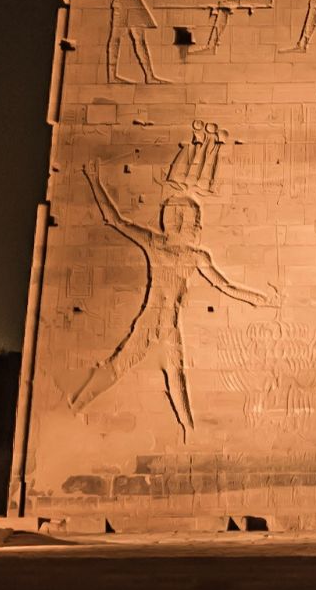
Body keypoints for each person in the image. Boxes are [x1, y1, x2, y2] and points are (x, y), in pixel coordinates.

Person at [73, 160, 278, 437]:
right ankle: (79, 403)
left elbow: (225, 285)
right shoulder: (169, 248)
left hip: (166, 325)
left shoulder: (185, 252)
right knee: (130, 368)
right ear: (185, 222)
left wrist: (256, 298)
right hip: (155, 323)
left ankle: (188, 431)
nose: (194, 224)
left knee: (173, 374)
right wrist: (94, 181)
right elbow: (117, 221)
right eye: (192, 219)